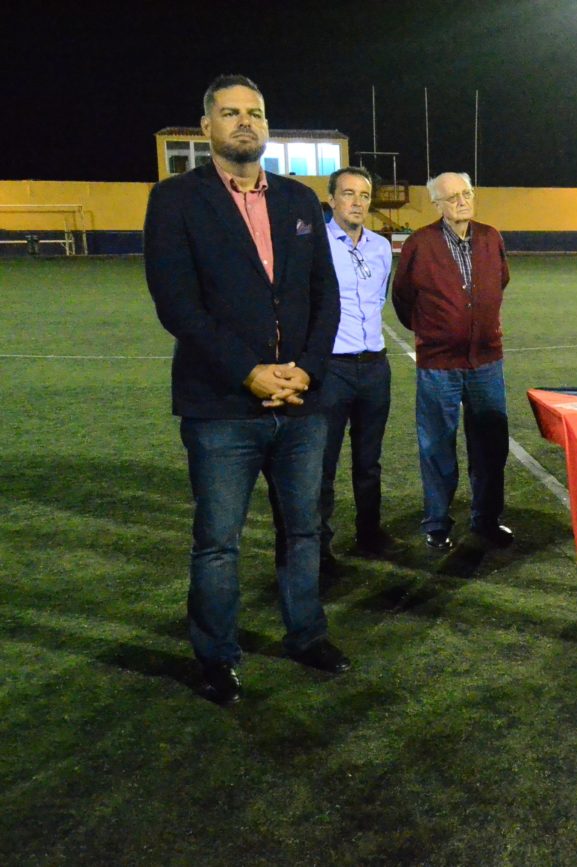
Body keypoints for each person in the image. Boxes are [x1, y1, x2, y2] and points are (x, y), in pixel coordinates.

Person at [144, 74, 351, 706]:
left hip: (302, 403)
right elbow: (177, 304)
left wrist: (307, 369)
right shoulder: (175, 199)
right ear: (207, 126)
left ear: (267, 125)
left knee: (305, 531)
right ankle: (216, 656)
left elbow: (326, 296)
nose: (244, 122)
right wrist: (249, 371)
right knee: (218, 543)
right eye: (231, 113)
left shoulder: (298, 199)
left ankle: (306, 634)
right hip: (222, 407)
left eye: (255, 113)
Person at [393, 172, 513, 552]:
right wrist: (435, 333)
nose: (462, 202)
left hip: (486, 362)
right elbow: (403, 298)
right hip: (438, 365)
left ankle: (486, 520)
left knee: (490, 446)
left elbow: (501, 281)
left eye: (466, 194)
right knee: (437, 447)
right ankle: (437, 523)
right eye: (452, 197)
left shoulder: (491, 237)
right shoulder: (420, 243)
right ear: (437, 204)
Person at [317, 166, 395, 563]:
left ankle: (370, 533)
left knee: (369, 460)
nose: (357, 202)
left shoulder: (380, 247)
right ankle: (319, 546)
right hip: (332, 368)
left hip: (375, 367)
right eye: (348, 194)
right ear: (332, 199)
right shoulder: (316, 244)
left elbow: (379, 297)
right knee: (323, 462)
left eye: (364, 195)